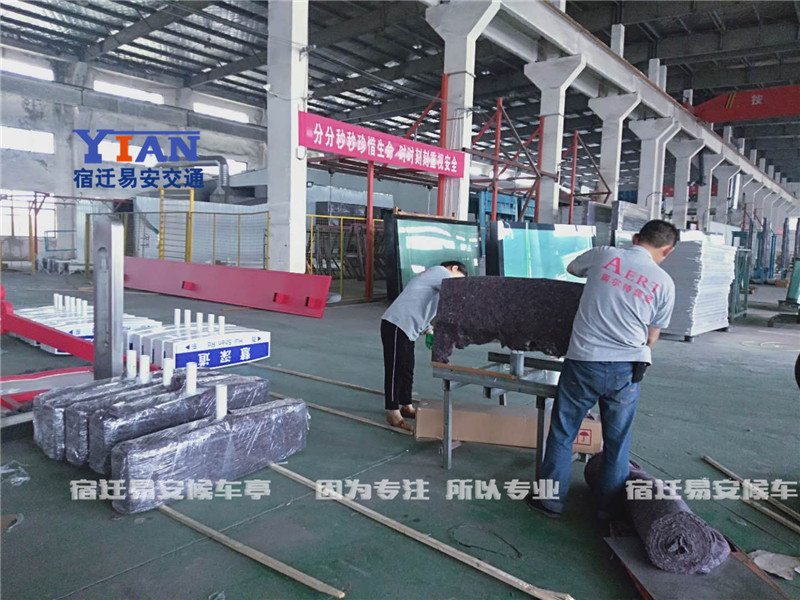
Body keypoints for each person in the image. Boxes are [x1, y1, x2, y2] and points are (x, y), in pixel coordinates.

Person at [526, 220, 679, 519]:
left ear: (635, 238)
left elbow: (571, 268)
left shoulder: (605, 255)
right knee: (617, 442)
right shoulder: (665, 283)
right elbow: (652, 337)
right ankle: (607, 509)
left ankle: (550, 501)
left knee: (563, 432)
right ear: (668, 250)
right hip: (627, 369)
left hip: (584, 361)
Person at [381, 261, 468, 430]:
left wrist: (429, 330)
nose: (459, 282)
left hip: (408, 328)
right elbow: (455, 294)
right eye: (460, 278)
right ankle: (392, 411)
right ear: (454, 268)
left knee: (407, 368)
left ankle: (406, 405)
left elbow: (421, 304)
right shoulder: (441, 272)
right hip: (397, 323)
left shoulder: (433, 279)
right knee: (395, 369)